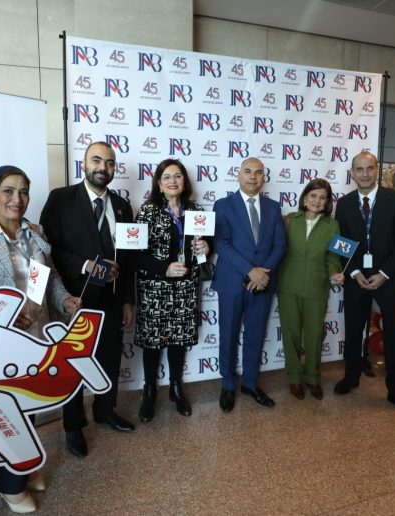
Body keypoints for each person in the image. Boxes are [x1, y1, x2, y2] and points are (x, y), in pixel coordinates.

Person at [0, 166, 81, 513]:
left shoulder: (34, 232)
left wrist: (66, 301)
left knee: (29, 406)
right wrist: (4, 315)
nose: (18, 199)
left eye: (23, 191)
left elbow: (49, 280)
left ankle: (23, 468)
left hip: (37, 335)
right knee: (7, 413)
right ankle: (10, 487)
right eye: (8, 191)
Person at [39, 141, 135, 458]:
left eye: (109, 163)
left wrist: (128, 300)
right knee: (73, 362)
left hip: (112, 298)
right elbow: (48, 249)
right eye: (96, 160)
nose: (102, 168)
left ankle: (106, 411)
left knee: (109, 359)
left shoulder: (122, 206)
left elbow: (128, 259)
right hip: (75, 299)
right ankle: (73, 424)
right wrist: (84, 265)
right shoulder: (61, 198)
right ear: (83, 163)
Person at [333, 151, 395, 420]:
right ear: (352, 173)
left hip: (391, 277)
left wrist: (384, 273)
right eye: (359, 169)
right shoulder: (344, 204)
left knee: (394, 335)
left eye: (369, 168)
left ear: (377, 170)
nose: (364, 174)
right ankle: (351, 377)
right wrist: (355, 272)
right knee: (353, 332)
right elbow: (342, 243)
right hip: (357, 278)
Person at [134, 159, 211, 422]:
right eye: (167, 177)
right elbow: (137, 255)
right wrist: (164, 268)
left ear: (184, 181)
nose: (173, 181)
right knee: (153, 342)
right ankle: (150, 390)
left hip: (186, 287)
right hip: (155, 288)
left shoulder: (196, 210)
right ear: (158, 183)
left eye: (177, 176)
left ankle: (176, 388)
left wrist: (206, 248)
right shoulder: (148, 212)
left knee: (179, 339)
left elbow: (204, 246)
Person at [212, 157, 286, 412]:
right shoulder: (223, 205)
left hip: (263, 283)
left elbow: (280, 246)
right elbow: (221, 244)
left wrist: (262, 274)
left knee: (255, 335)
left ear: (264, 177)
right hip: (232, 283)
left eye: (258, 172)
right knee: (228, 335)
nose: (253, 176)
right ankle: (228, 384)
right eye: (248, 171)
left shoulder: (273, 207)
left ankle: (251, 384)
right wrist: (250, 271)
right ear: (238, 175)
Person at [277, 179, 344, 401]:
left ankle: (313, 378)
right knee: (291, 335)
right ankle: (294, 378)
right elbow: (278, 250)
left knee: (314, 335)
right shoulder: (290, 220)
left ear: (327, 202)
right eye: (313, 196)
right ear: (305, 198)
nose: (317, 201)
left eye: (322, 197)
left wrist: (334, 273)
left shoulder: (332, 225)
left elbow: (333, 256)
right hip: (289, 285)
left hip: (317, 286)